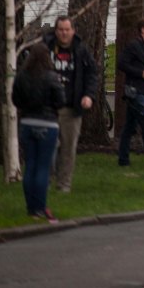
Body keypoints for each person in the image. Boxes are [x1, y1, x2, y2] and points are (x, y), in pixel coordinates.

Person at [44, 16, 99, 194]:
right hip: (49, 107)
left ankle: (64, 184)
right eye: (60, 30)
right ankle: (46, 179)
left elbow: (92, 74)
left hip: (71, 107)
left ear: (73, 31)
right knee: (49, 145)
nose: (64, 33)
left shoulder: (81, 50)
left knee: (68, 147)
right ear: (56, 31)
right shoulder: (46, 48)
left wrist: (88, 95)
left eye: (67, 30)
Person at [11, 42, 66, 222]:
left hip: (27, 122)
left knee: (30, 165)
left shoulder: (22, 76)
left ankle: (30, 207)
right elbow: (60, 100)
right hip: (48, 124)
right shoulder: (52, 77)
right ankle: (40, 207)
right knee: (43, 167)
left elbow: (15, 99)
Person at [116, 18, 144, 168]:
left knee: (129, 127)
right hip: (135, 91)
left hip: (143, 90)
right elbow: (121, 64)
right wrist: (141, 74)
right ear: (143, 30)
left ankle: (123, 159)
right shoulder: (133, 46)